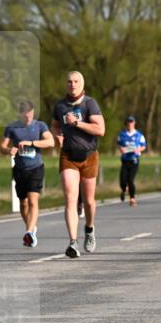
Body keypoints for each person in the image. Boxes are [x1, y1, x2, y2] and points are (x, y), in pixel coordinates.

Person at [51, 71, 105, 258]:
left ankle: (89, 229)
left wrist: (78, 123)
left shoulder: (90, 104)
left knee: (89, 201)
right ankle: (73, 242)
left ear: (81, 84)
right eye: (69, 82)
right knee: (70, 197)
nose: (72, 84)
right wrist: (57, 135)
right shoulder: (60, 105)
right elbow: (55, 125)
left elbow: (100, 129)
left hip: (89, 155)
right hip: (68, 156)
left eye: (75, 81)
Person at [0, 100, 54, 247]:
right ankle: (30, 228)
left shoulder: (40, 125)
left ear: (33, 112)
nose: (28, 117)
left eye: (30, 113)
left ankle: (29, 233)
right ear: (20, 114)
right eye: (25, 114)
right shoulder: (12, 127)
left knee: (32, 201)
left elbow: (50, 142)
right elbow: (2, 146)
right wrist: (8, 150)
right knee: (23, 203)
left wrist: (32, 143)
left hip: (36, 167)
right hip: (20, 169)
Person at [117, 116, 147, 206]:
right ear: (126, 124)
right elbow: (119, 144)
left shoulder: (139, 135)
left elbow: (144, 146)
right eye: (128, 122)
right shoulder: (122, 135)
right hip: (125, 159)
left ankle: (132, 198)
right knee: (122, 180)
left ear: (134, 123)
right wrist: (121, 149)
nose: (130, 124)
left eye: (131, 122)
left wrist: (138, 149)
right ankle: (123, 189)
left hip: (134, 160)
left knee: (130, 180)